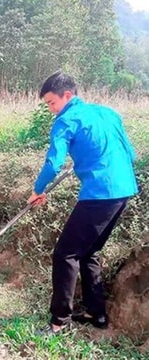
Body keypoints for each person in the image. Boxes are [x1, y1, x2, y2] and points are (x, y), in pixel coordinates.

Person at [27, 71, 138, 335]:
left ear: (68, 95)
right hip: (124, 190)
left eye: (52, 103)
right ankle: (95, 313)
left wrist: (37, 190)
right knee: (89, 252)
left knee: (66, 254)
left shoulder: (66, 120)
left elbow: (54, 163)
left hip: (100, 193)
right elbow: (131, 153)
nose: (51, 109)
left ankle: (58, 323)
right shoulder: (109, 113)